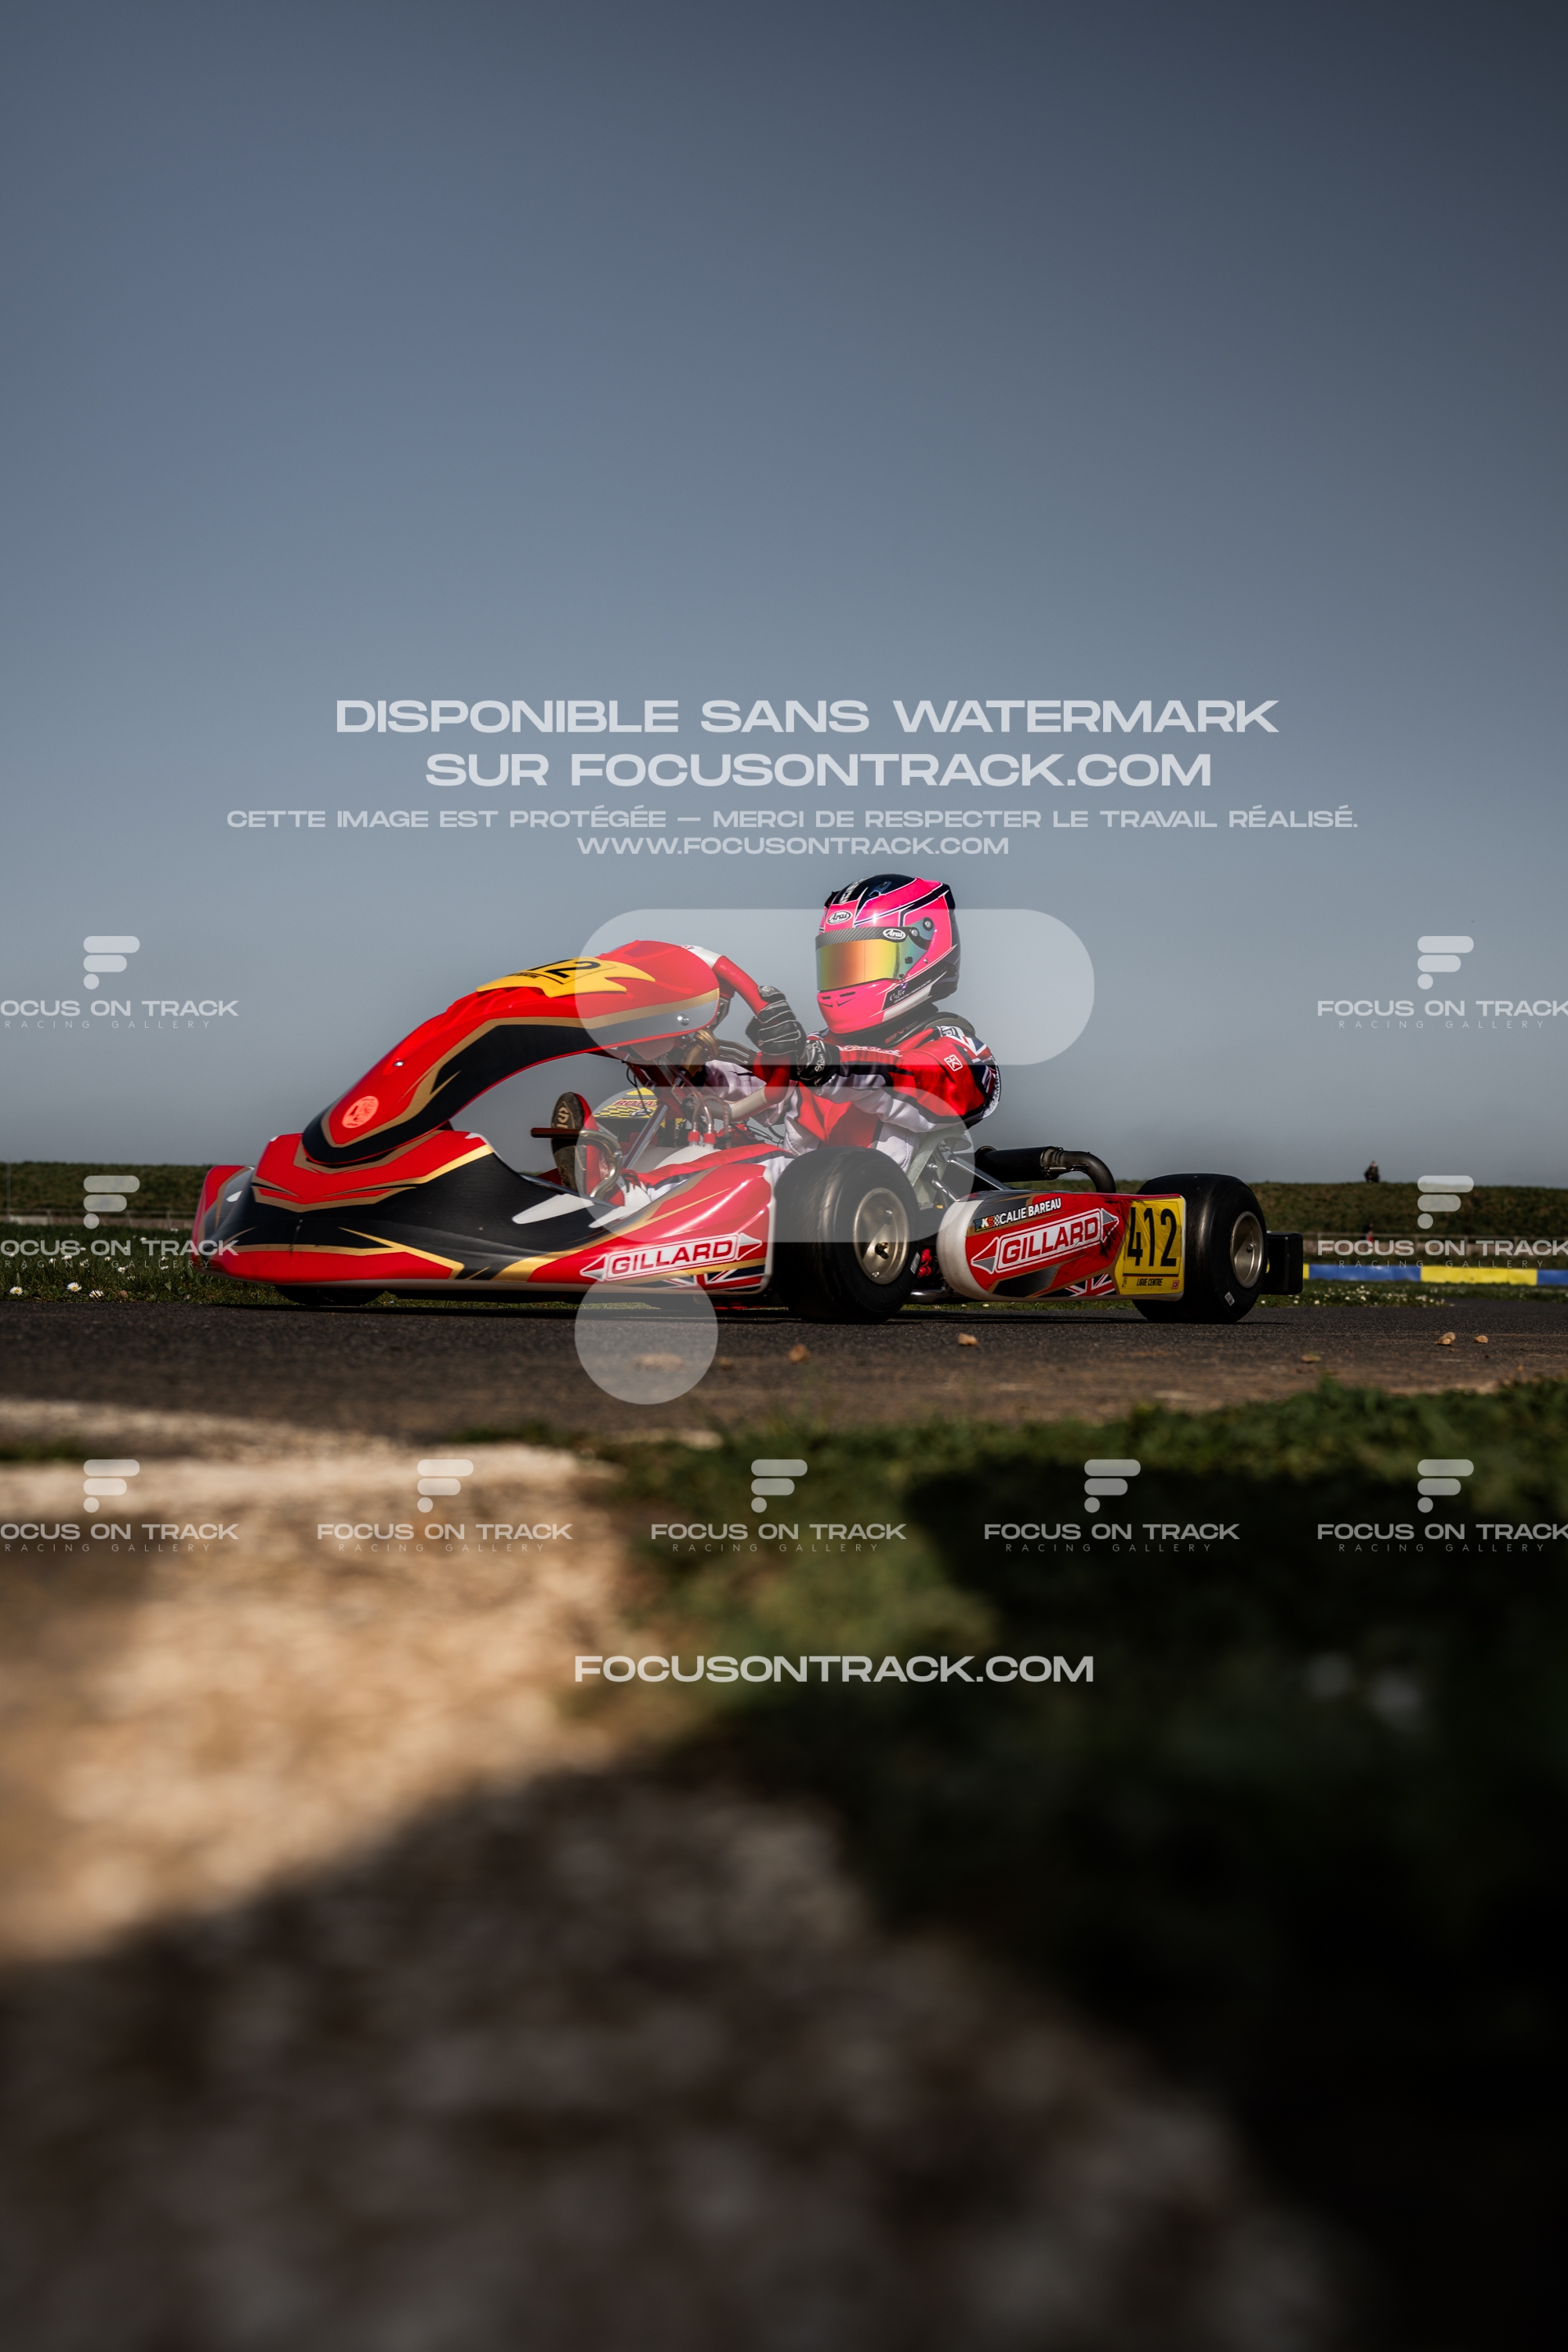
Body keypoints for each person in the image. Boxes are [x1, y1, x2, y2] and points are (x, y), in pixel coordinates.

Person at [710, 873, 1000, 1170]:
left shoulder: (964, 1053)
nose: (848, 974)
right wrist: (692, 1066)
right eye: (838, 963)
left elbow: (904, 1078)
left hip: (880, 1194)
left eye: (868, 960)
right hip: (798, 1187)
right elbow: (752, 1082)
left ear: (921, 955)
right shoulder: (820, 1045)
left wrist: (817, 1062)